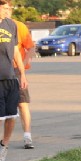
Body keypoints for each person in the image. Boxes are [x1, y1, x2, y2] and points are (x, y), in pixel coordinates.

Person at [0, 0, 28, 161]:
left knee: (11, 116)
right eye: (5, 8)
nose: (8, 10)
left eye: (8, 8)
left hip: (10, 78)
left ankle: (4, 148)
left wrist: (22, 73)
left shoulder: (11, 25)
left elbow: (16, 50)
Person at [7, 4, 35, 149]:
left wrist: (24, 65)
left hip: (17, 70)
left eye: (8, 8)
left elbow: (30, 47)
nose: (6, 11)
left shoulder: (19, 26)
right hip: (2, 70)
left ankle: (27, 136)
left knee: (22, 104)